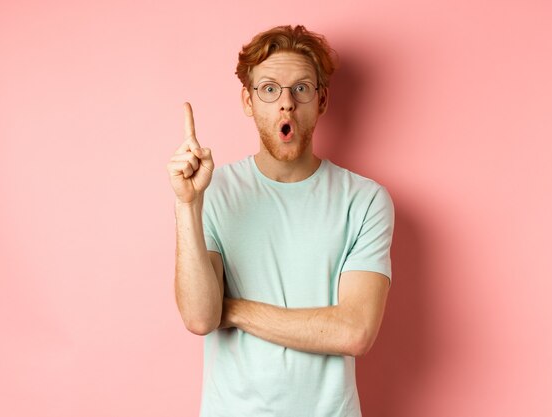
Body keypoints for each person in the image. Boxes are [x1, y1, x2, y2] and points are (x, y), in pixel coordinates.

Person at [166, 25, 394, 417]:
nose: (286, 103)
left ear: (321, 101)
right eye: (269, 89)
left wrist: (231, 309)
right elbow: (201, 316)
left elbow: (354, 332)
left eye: (301, 88)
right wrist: (187, 204)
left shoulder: (365, 200)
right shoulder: (214, 191)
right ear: (248, 101)